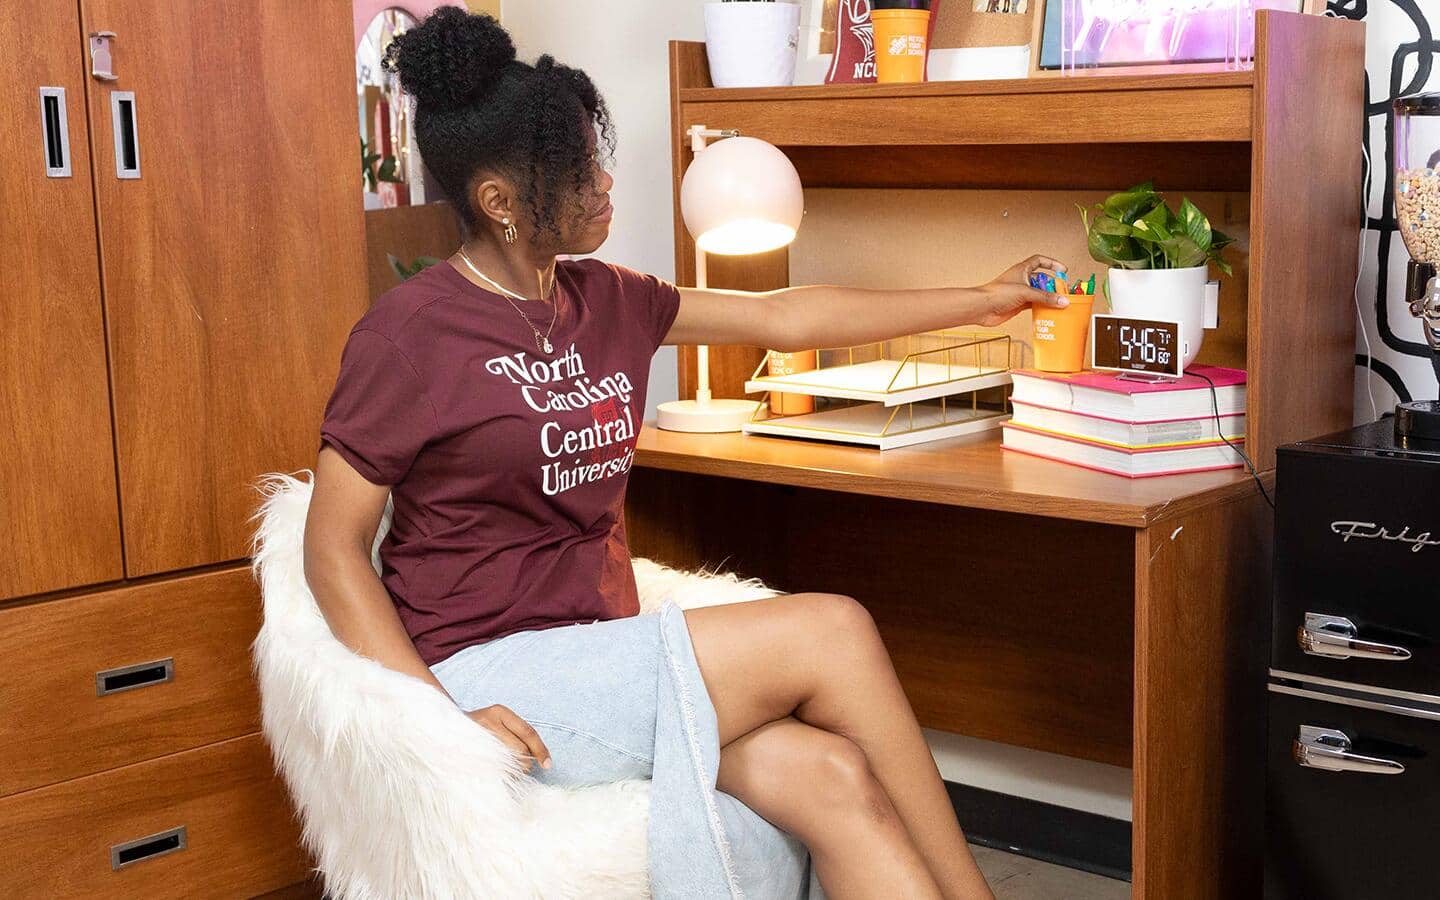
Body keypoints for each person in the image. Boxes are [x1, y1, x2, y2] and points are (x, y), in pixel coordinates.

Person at [304, 8, 1068, 899]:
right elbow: (330, 548)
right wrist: (442, 722)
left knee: (833, 779)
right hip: (490, 671)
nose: (602, 184)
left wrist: (979, 299)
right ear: (499, 202)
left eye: (596, 157)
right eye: (572, 172)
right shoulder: (410, 334)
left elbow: (789, 316)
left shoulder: (607, 299)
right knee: (834, 630)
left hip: (609, 652)